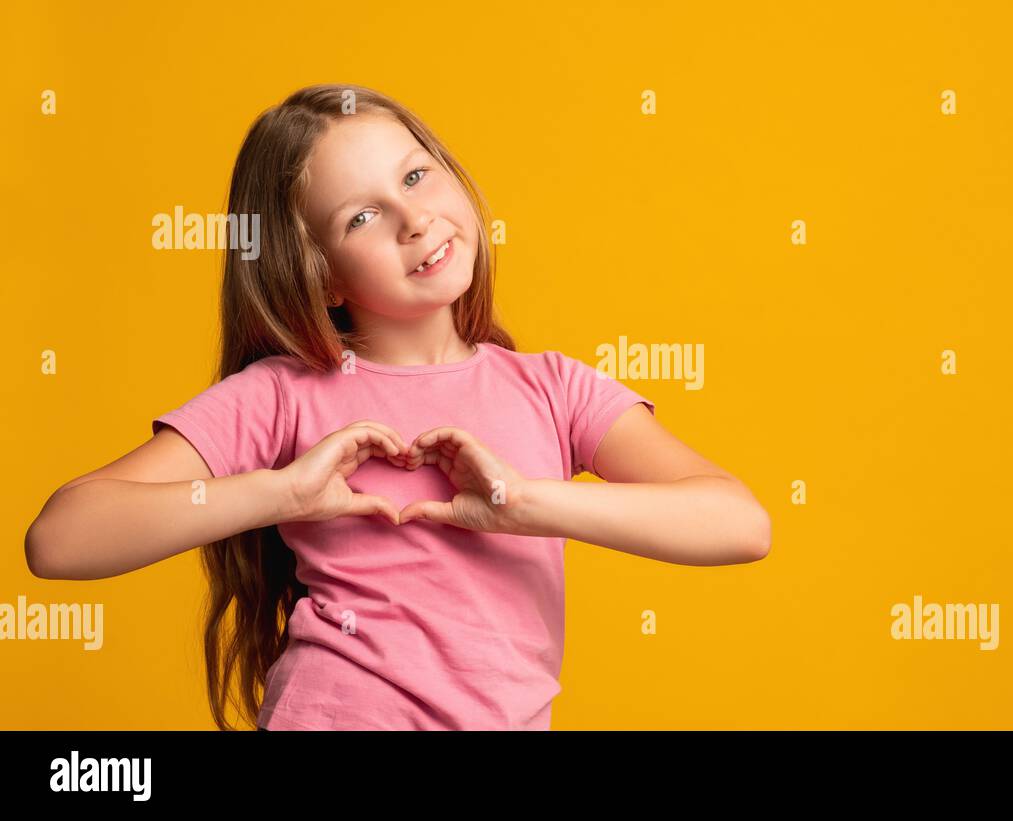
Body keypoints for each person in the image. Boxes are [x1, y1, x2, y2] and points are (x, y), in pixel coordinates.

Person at [24, 84, 772, 731]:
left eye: (417, 176)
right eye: (361, 217)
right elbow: (60, 539)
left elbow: (740, 523)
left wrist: (525, 501)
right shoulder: (286, 392)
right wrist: (283, 492)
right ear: (321, 281)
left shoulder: (554, 388)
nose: (413, 219)